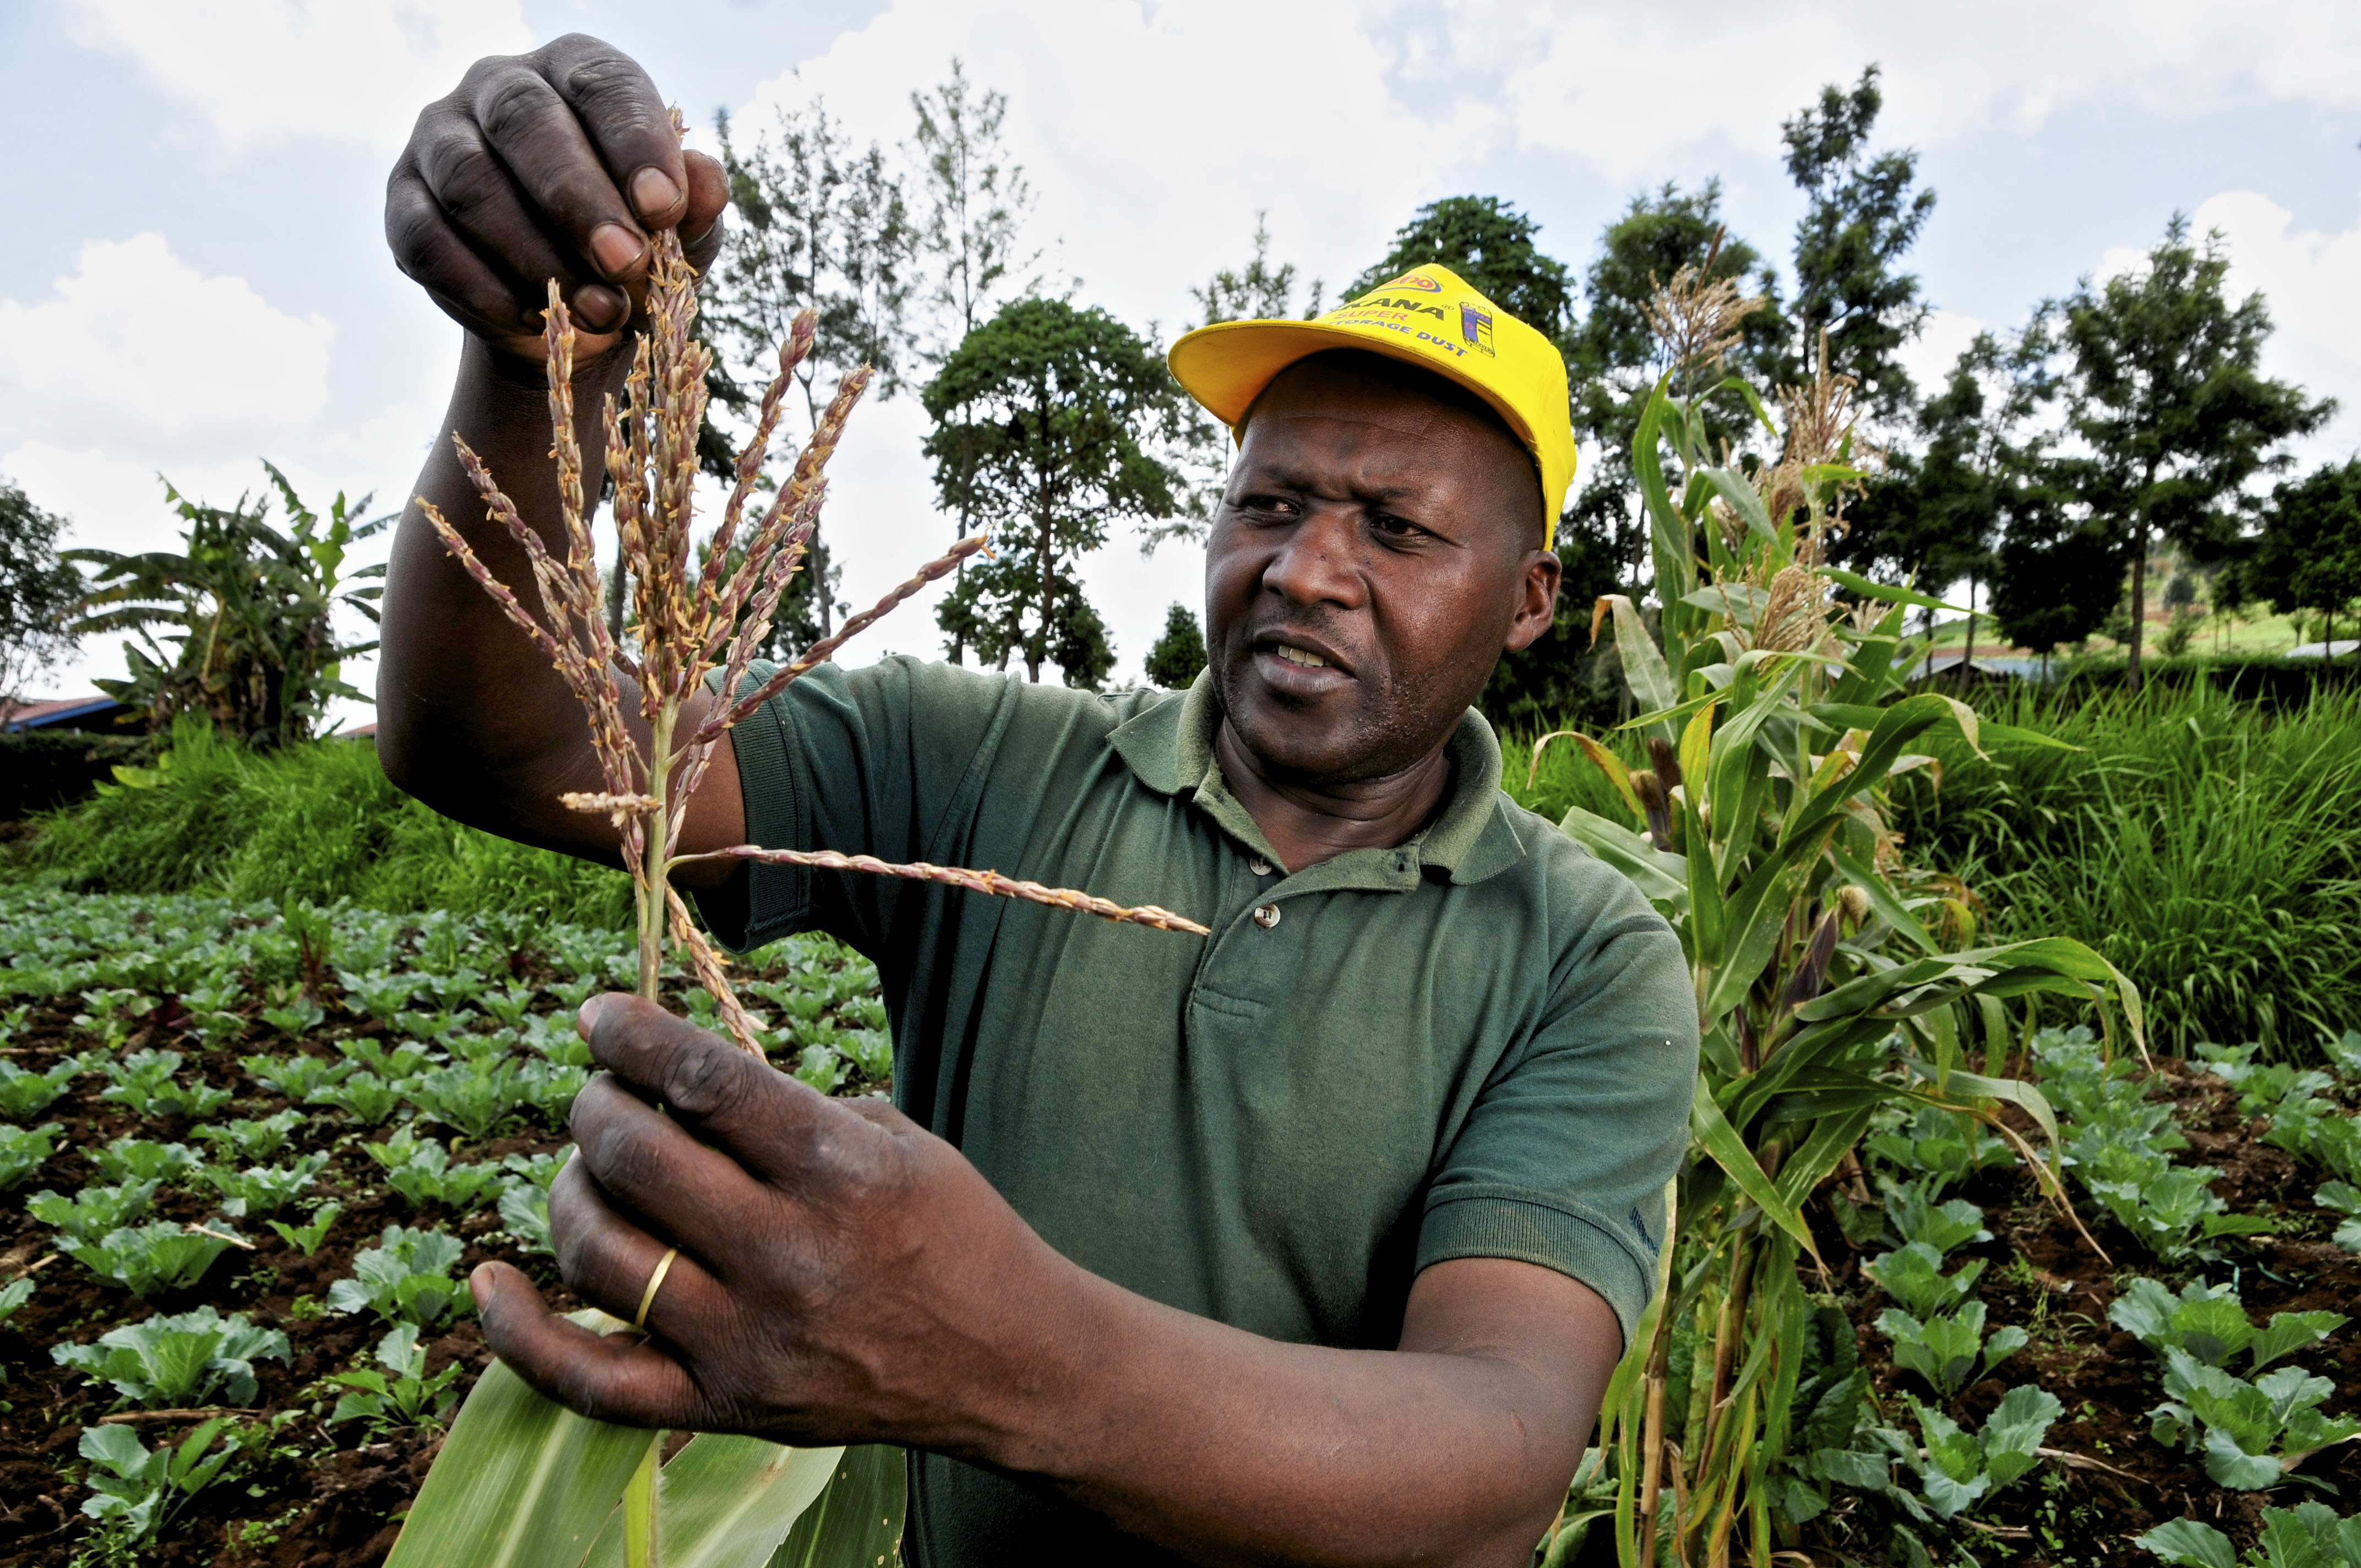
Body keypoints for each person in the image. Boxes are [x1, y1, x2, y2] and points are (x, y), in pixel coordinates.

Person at [377, 34, 1699, 1567]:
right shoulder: (989, 759)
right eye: (1265, 503)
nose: (1305, 568)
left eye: (1396, 529)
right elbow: (512, 745)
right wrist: (542, 370)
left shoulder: (1586, 954)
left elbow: (1495, 1464)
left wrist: (993, 1358)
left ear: (1529, 600)